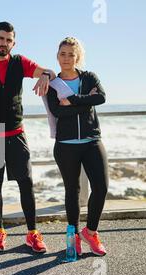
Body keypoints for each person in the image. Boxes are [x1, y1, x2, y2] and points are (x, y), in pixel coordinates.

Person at [0, 22, 55, 253]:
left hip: (16, 133)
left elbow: (49, 71)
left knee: (26, 184)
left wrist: (45, 76)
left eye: (8, 40)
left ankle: (32, 233)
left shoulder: (20, 62)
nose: (4, 43)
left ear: (13, 43)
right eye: (0, 39)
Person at [46, 37, 108, 257]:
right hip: (65, 145)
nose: (66, 58)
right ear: (57, 56)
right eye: (62, 54)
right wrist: (85, 102)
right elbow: (57, 112)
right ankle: (72, 237)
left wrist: (72, 99)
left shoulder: (89, 77)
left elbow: (100, 98)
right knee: (73, 191)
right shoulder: (52, 84)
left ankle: (90, 232)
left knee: (101, 188)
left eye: (71, 54)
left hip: (92, 141)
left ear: (77, 57)